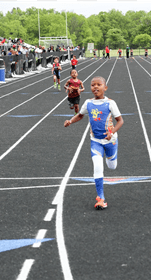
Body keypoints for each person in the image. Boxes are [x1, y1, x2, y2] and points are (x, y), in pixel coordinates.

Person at [63, 76, 123, 210]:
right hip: (95, 141)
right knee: (97, 167)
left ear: (105, 88)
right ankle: (101, 198)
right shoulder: (88, 103)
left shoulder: (110, 103)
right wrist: (70, 121)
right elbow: (80, 115)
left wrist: (112, 132)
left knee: (112, 166)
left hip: (110, 141)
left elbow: (120, 121)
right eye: (93, 85)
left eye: (99, 84)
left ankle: (111, 156)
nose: (95, 87)